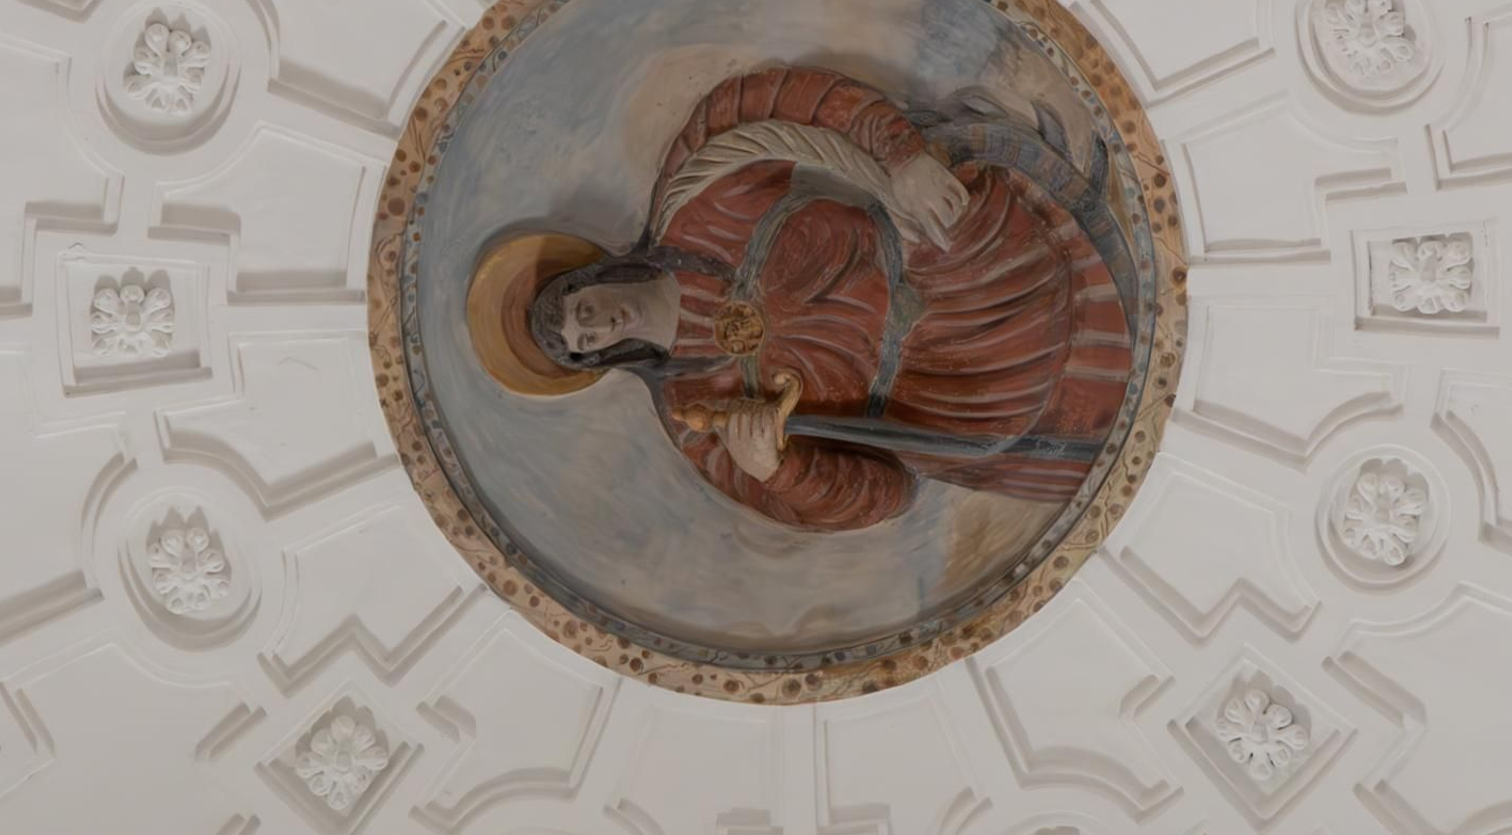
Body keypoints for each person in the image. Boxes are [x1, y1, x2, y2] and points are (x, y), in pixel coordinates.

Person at [469, 66, 1134, 532]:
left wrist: (901, 157)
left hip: (956, 260)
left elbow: (772, 101)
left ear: (591, 278)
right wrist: (778, 470)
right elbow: (880, 495)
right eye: (589, 344)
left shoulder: (697, 199)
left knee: (966, 213)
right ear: (603, 358)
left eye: (584, 310)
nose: (602, 325)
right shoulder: (696, 417)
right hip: (954, 399)